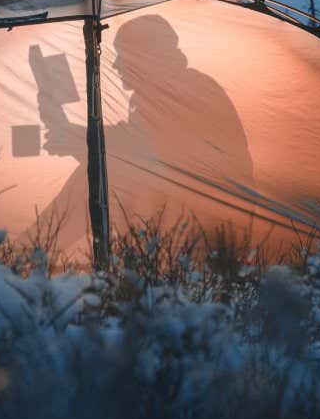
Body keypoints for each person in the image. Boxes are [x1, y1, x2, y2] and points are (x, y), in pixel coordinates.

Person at [31, 14, 253, 253]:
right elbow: (138, 143)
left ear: (146, 56)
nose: (115, 64)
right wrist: (79, 139)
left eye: (122, 54)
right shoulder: (161, 91)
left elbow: (147, 149)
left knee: (94, 180)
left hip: (213, 227)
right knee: (98, 174)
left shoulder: (189, 89)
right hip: (180, 211)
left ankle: (30, 255)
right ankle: (36, 252)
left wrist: (80, 138)